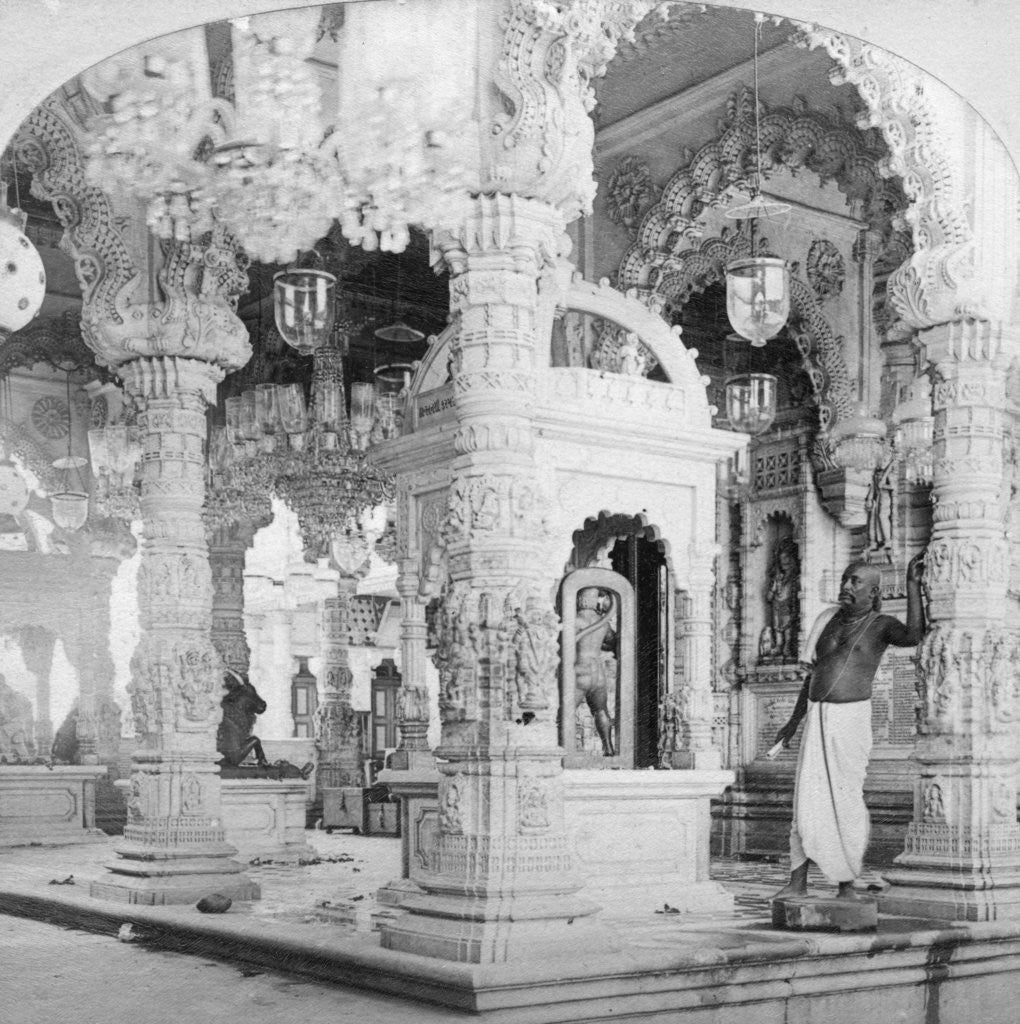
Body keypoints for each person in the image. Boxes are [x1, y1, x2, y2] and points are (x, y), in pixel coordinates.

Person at [772, 553, 925, 901]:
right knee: (805, 801)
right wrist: (793, 722)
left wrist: (913, 585)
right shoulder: (826, 618)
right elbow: (811, 675)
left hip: (850, 719)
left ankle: (846, 885)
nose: (846, 586)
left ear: (873, 592)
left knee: (845, 800)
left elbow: (915, 634)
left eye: (855, 582)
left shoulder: (882, 624)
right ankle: (798, 882)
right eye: (845, 579)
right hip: (816, 716)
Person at [573, 587, 617, 757]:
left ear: (579, 600)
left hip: (579, 669)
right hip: (597, 671)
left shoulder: (574, 620)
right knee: (600, 710)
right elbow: (611, 642)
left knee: (566, 711)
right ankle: (609, 748)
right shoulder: (603, 622)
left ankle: (564, 750)